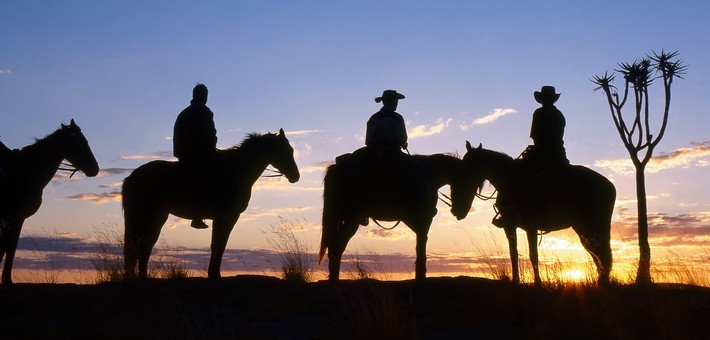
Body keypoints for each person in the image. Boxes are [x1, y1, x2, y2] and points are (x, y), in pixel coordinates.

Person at [492, 85, 569, 228]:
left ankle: (510, 211)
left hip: (543, 154)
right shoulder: (559, 115)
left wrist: (535, 148)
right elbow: (554, 137)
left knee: (516, 171)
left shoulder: (539, 113)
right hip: (558, 154)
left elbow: (536, 136)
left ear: (542, 99)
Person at [172, 83, 218, 230]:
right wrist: (211, 148)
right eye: (204, 94)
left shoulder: (184, 112)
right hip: (197, 153)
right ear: (199, 95)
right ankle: (198, 215)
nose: (205, 97)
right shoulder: (203, 112)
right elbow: (210, 135)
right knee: (210, 176)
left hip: (184, 153)